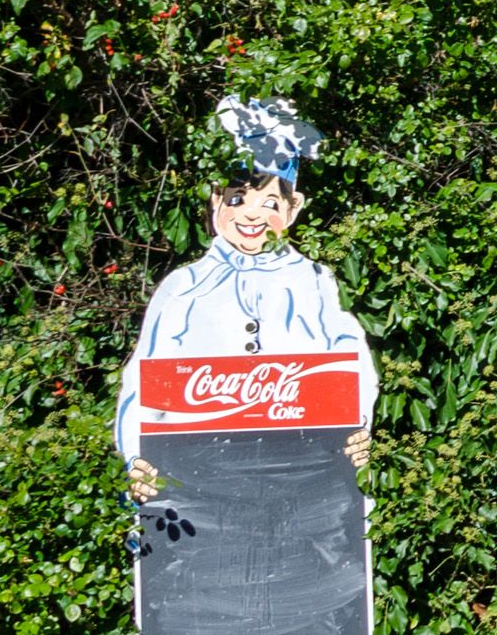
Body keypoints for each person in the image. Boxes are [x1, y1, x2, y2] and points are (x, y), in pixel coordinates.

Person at [116, 97, 371, 500]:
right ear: (215, 201)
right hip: (199, 485)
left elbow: (350, 359)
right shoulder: (183, 287)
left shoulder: (314, 282)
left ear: (292, 209)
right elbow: (142, 382)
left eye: (268, 203)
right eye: (237, 199)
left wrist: (358, 426)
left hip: (305, 481)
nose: (251, 215)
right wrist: (136, 459)